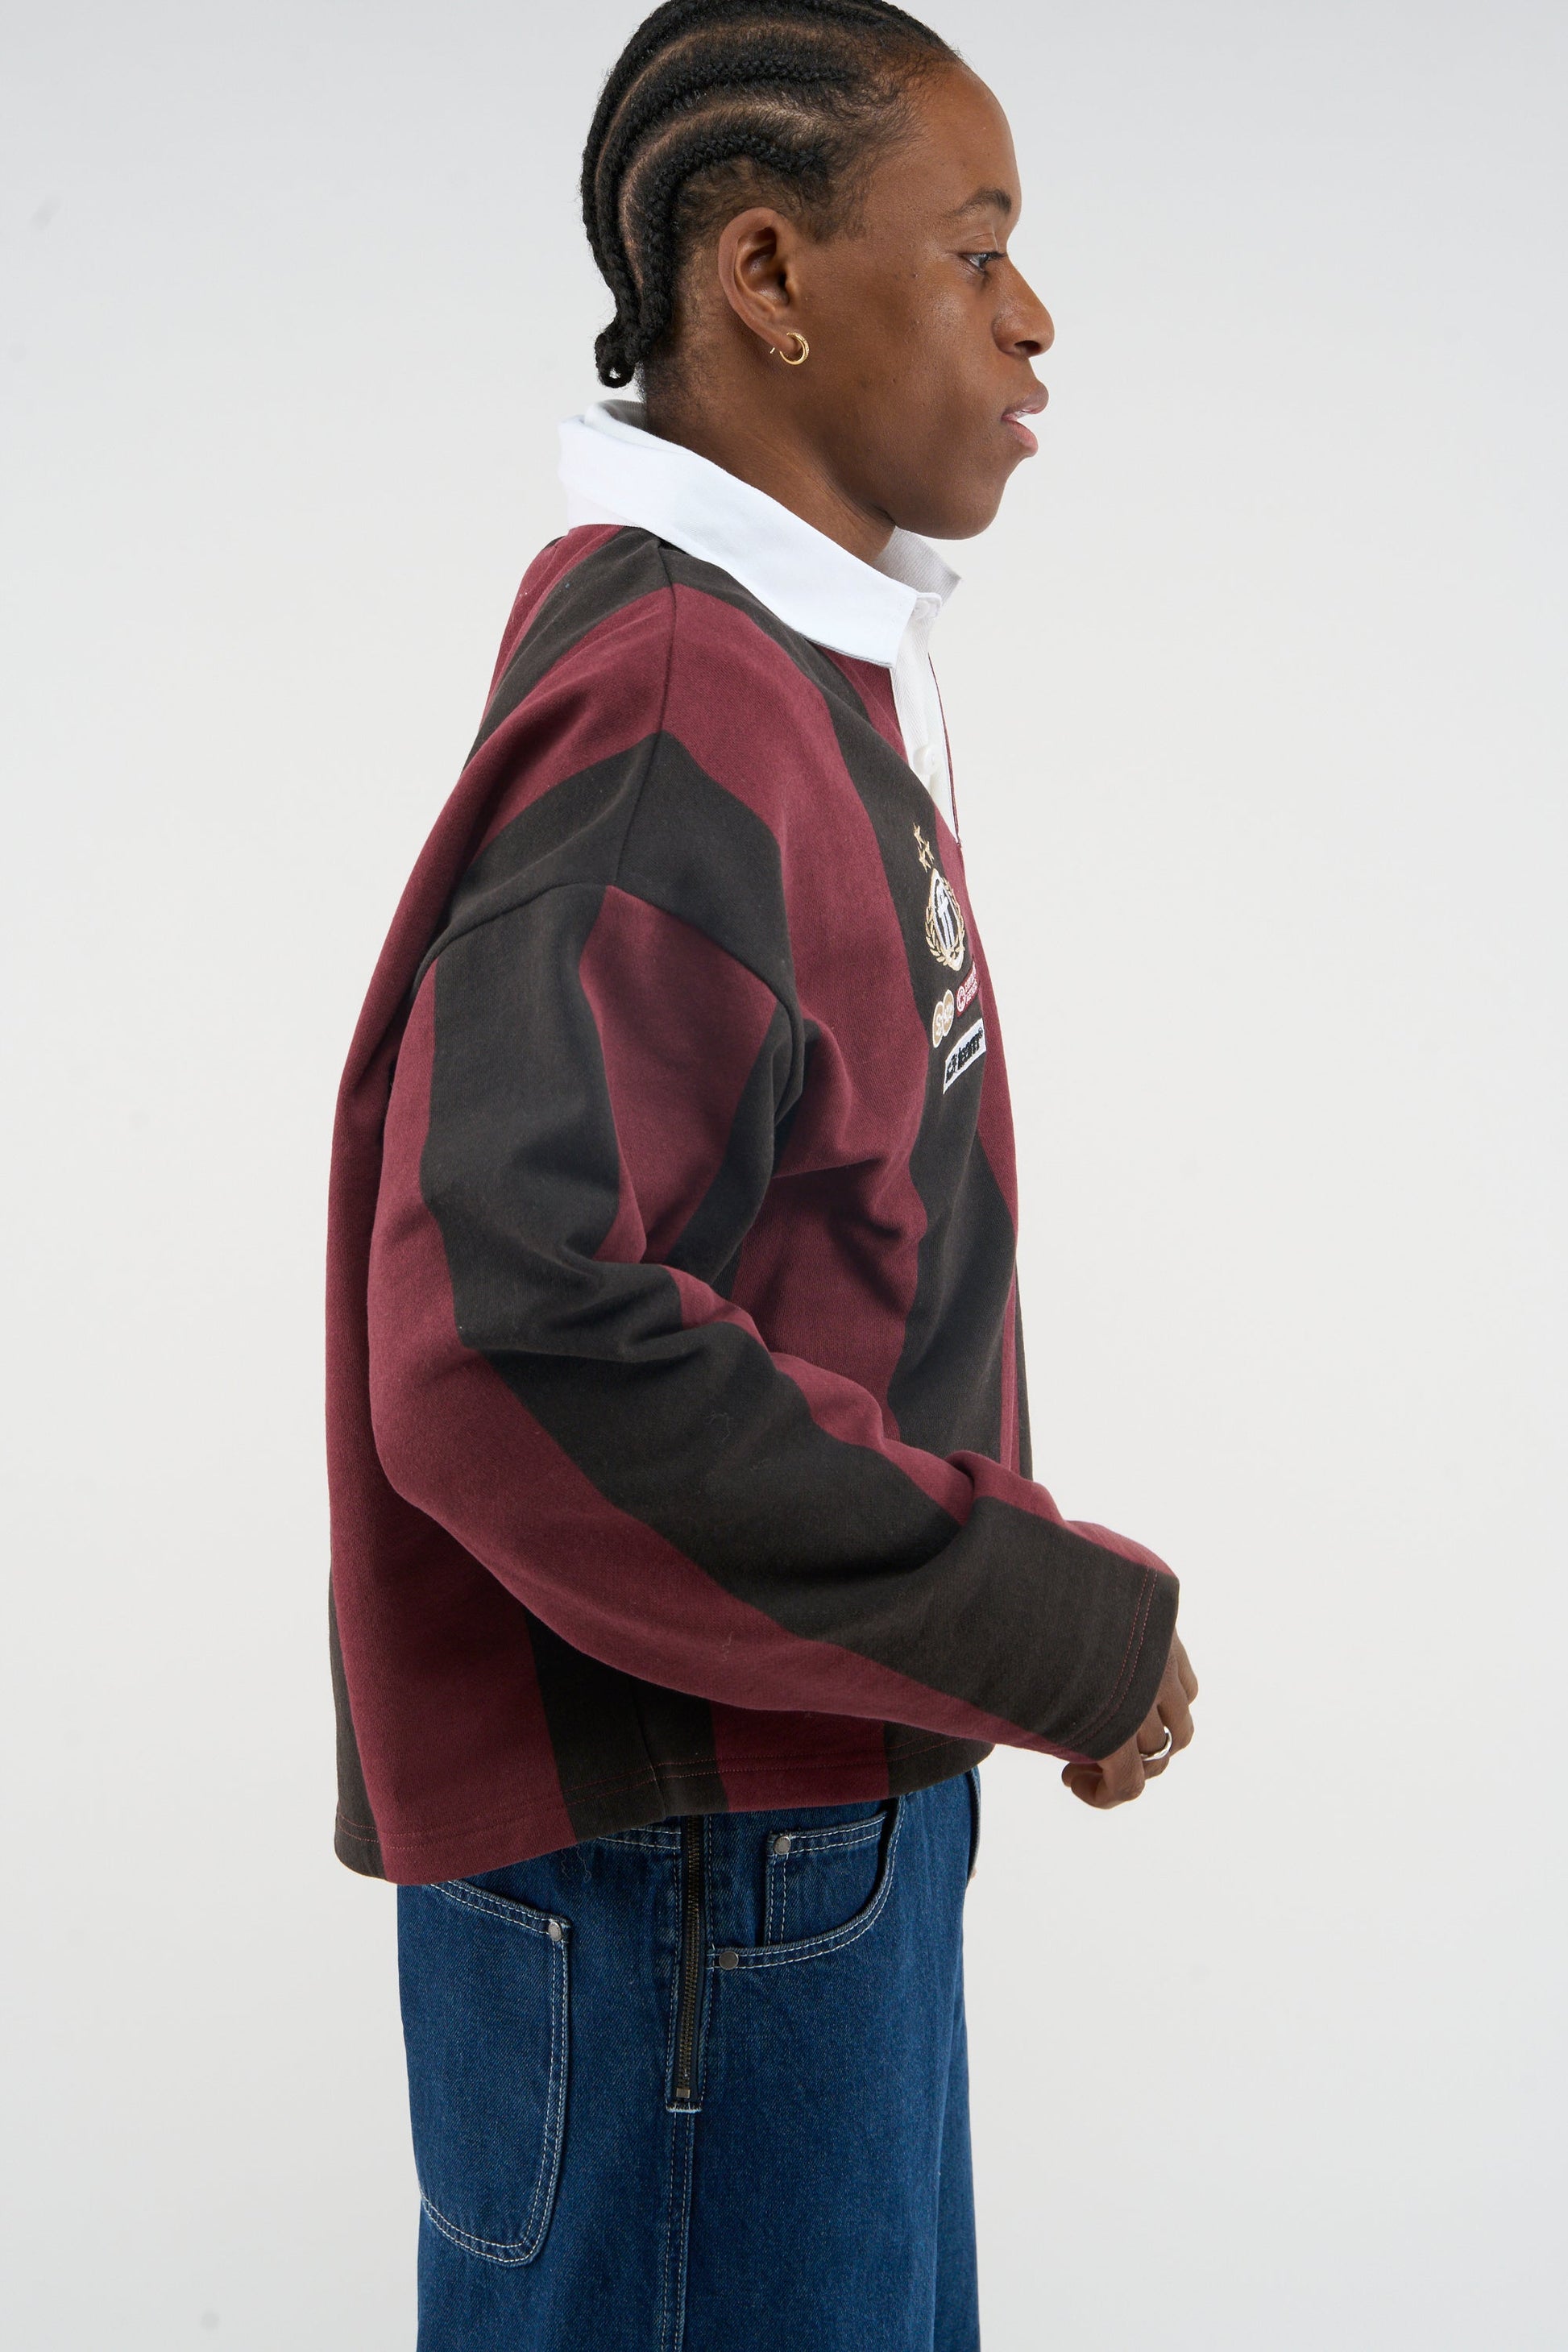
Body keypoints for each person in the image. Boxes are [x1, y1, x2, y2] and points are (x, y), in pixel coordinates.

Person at [325, 2, 1200, 2344]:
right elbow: (504, 1337)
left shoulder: (775, 667)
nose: (1032, 318)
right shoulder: (677, 703)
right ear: (767, 274)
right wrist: (1036, 1616)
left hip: (777, 1838)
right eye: (977, 250)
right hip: (705, 1879)